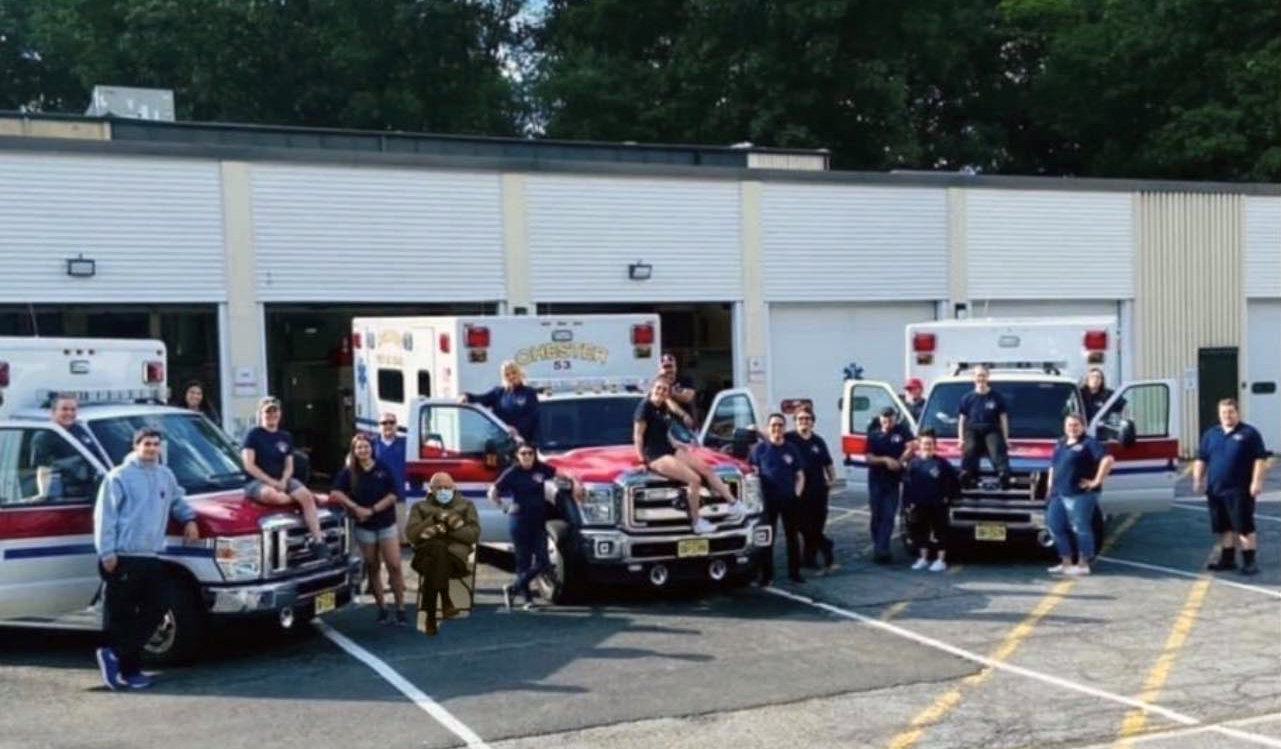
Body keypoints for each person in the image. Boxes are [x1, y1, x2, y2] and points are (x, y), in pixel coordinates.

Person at [92, 428, 200, 691]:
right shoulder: (118, 477)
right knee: (123, 616)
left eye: (156, 444)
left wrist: (190, 519)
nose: (152, 448)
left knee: (159, 605)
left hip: (151, 554)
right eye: (147, 444)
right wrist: (107, 553)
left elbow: (177, 500)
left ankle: (115, 655)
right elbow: (105, 517)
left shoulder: (165, 475)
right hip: (123, 556)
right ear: (136, 445)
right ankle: (130, 671)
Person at [633, 377, 743, 534]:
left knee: (705, 468)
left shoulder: (663, 406)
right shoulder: (644, 407)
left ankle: (733, 504)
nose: (661, 391)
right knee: (694, 479)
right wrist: (641, 460)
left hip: (669, 448)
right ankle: (697, 522)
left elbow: (664, 431)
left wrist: (676, 442)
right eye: (658, 388)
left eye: (665, 389)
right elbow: (638, 436)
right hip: (655, 455)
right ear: (652, 388)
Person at [489, 445, 582, 611]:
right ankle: (528, 600)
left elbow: (562, 473)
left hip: (538, 521)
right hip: (519, 520)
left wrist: (576, 482)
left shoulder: (541, 469)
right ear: (517, 456)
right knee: (523, 561)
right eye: (523, 453)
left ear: (534, 455)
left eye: (530, 453)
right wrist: (502, 506)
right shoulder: (512, 473)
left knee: (543, 561)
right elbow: (493, 491)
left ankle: (513, 588)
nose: (527, 456)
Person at [330, 433, 406, 625]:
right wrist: (354, 507)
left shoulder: (382, 467)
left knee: (394, 565)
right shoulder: (349, 472)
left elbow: (393, 494)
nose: (363, 450)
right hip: (364, 527)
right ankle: (382, 608)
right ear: (354, 451)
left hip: (385, 523)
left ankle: (400, 608)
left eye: (366, 446)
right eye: (359, 447)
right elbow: (336, 492)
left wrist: (372, 510)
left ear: (371, 448)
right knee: (372, 566)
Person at [241, 396, 329, 556]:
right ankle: (303, 498)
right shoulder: (253, 434)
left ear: (280, 414)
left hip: (282, 480)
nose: (272, 414)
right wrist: (272, 482)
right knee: (274, 497)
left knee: (307, 498)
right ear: (260, 413)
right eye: (268, 411)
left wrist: (283, 480)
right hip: (257, 482)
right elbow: (249, 465)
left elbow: (289, 465)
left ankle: (318, 541)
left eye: (275, 411)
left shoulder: (285, 436)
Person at [1193, 399, 1269, 576]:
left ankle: (1249, 562)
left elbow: (1260, 459)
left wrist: (1256, 482)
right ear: (1219, 415)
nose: (1227, 416)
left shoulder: (1249, 434)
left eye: (1230, 412)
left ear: (1237, 413)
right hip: (1216, 490)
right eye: (1224, 413)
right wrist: (1198, 479)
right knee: (1223, 527)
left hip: (1240, 490)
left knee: (1244, 527)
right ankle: (1227, 560)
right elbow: (1201, 458)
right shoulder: (1211, 434)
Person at [406, 473, 480, 635]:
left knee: (436, 552)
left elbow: (473, 535)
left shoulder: (466, 506)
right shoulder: (419, 507)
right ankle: (445, 601)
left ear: (454, 488)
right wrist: (434, 518)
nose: (443, 491)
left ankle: (430, 616)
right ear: (430, 490)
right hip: (423, 556)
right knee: (436, 549)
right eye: (439, 488)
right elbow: (411, 535)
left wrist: (445, 529)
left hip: (455, 560)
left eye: (447, 487)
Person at [1045, 413, 1114, 576]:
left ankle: (1083, 563)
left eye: (1076, 425)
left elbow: (1108, 460)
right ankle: (1066, 562)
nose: (1072, 428)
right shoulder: (1061, 443)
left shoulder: (1090, 443)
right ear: (1064, 426)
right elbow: (1052, 466)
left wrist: (1096, 481)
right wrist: (1049, 487)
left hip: (1081, 494)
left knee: (1081, 527)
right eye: (1069, 425)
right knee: (1055, 526)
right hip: (1058, 494)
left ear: (1083, 426)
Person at [750, 413, 806, 585]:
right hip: (768, 502)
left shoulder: (791, 449)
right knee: (767, 538)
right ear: (768, 428)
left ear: (784, 428)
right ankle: (766, 575)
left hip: (789, 500)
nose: (777, 429)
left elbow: (800, 475)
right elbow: (751, 473)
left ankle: (795, 573)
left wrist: (797, 493)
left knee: (792, 537)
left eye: (780, 425)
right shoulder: (759, 450)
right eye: (773, 425)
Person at [785, 408, 836, 573]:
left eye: (807, 419)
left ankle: (809, 559)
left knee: (817, 525)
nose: (804, 422)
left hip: (819, 490)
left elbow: (828, 463)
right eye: (800, 419)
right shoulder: (789, 438)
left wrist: (832, 480)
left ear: (812, 421)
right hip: (799, 491)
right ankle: (825, 544)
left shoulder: (818, 441)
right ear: (795, 421)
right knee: (801, 524)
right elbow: (773, 441)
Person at [902, 429, 960, 572]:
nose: (927, 446)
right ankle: (923, 558)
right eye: (924, 444)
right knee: (920, 532)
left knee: (941, 532)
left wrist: (948, 498)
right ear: (920, 445)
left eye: (930, 444)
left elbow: (954, 483)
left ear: (935, 445)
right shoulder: (913, 464)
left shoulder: (942, 464)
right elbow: (907, 485)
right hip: (919, 504)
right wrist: (907, 504)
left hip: (938, 505)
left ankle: (940, 560)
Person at [32, 394, 111, 498]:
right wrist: (43, 494)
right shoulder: (45, 435)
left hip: (90, 490)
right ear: (53, 412)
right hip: (65, 495)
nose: (69, 413)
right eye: (64, 409)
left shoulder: (80, 429)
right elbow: (43, 469)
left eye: (73, 409)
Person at [865, 407, 915, 563]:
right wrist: (886, 460)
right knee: (876, 515)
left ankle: (882, 550)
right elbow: (869, 458)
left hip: (893, 481)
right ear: (880, 419)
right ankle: (879, 545)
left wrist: (899, 462)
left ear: (895, 418)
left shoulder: (902, 430)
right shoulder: (873, 435)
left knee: (888, 515)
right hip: (876, 480)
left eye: (890, 419)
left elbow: (912, 447)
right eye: (884, 420)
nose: (887, 422)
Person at [462, 360, 540, 445]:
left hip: (522, 441)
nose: (511, 376)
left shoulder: (529, 392)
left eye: (514, 373)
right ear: (504, 377)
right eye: (507, 375)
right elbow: (482, 399)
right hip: (500, 440)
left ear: (519, 373)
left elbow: (531, 416)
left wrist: (517, 429)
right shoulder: (499, 392)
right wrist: (467, 396)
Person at [957, 366, 1011, 489]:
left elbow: (1003, 419)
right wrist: (960, 439)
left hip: (991, 429)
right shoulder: (967, 398)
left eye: (983, 375)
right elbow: (961, 420)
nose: (980, 378)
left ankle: (1003, 475)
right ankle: (966, 474)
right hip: (972, 429)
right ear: (973, 378)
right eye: (978, 375)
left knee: (996, 450)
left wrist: (1006, 438)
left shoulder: (996, 397)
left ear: (987, 377)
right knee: (969, 448)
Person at [371, 411, 409, 540]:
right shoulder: (371, 445)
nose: (388, 425)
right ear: (379, 426)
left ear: (396, 425)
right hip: (378, 497)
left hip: (400, 496)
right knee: (382, 537)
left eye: (391, 422)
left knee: (402, 538)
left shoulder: (406, 443)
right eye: (384, 423)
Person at [659, 353, 699, 423]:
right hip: (666, 424)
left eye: (670, 366)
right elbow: (668, 401)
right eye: (665, 367)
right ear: (660, 370)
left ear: (675, 367)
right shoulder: (658, 383)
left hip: (687, 424)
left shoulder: (685, 380)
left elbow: (688, 397)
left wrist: (669, 391)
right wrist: (683, 415)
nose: (668, 369)